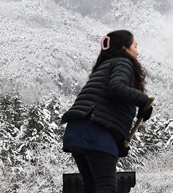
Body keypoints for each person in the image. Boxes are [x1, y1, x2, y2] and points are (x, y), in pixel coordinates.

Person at [61, 29, 153, 193]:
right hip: (95, 129)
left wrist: (117, 143)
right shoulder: (123, 63)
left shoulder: (104, 67)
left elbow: (108, 110)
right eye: (135, 46)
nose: (137, 52)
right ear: (125, 48)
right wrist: (143, 100)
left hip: (77, 130)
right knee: (107, 187)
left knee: (92, 186)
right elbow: (116, 88)